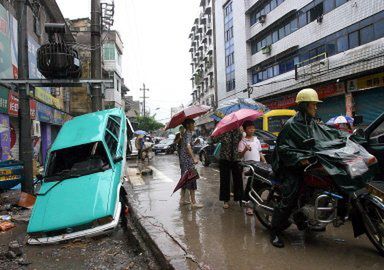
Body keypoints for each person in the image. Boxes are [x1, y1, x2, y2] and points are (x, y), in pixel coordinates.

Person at [269, 88, 330, 248]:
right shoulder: (291, 125)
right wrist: (299, 159)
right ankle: (274, 231)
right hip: (290, 167)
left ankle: (303, 216)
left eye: (316, 105)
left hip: (310, 165)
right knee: (289, 198)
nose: (316, 108)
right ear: (304, 106)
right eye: (313, 105)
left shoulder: (312, 122)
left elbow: (327, 136)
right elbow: (282, 149)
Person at [238, 121, 267, 215]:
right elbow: (239, 156)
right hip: (248, 167)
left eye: (253, 128)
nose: (252, 130)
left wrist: (264, 161)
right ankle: (248, 207)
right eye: (250, 128)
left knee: (257, 185)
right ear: (245, 129)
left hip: (258, 166)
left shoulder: (256, 140)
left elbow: (260, 152)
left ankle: (255, 203)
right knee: (248, 186)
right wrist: (245, 149)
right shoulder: (242, 142)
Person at [213, 129, 243, 209]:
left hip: (236, 159)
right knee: (224, 180)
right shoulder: (223, 132)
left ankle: (239, 199)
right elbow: (213, 140)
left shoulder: (238, 132)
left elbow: (241, 139)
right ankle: (225, 201)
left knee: (238, 179)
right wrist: (217, 132)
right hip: (224, 159)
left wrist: (240, 130)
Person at [179, 119, 203, 208]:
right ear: (188, 125)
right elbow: (188, 147)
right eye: (193, 124)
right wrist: (194, 158)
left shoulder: (186, 134)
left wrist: (195, 142)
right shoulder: (188, 134)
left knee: (184, 179)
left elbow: (188, 145)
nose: (194, 126)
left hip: (183, 161)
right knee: (192, 179)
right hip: (188, 161)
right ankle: (193, 202)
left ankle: (182, 200)